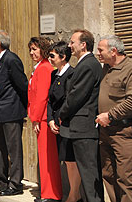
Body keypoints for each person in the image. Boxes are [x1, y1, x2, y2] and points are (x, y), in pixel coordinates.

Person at [95, 35, 132, 202]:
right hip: (106, 132)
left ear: (113, 51)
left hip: (124, 133)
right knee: (108, 175)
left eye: (101, 50)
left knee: (126, 180)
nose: (98, 53)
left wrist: (110, 115)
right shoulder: (106, 68)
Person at [57, 29, 104, 202]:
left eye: (72, 42)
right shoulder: (85, 64)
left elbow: (76, 96)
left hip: (84, 127)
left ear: (83, 45)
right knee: (85, 173)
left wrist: (61, 114)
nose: (69, 46)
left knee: (89, 174)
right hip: (78, 127)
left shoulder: (88, 65)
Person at [0, 30, 28, 196]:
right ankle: (0, 180)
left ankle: (15, 183)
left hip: (10, 110)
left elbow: (22, 85)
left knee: (13, 149)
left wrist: (21, 107)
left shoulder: (11, 59)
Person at [27, 37, 62, 202]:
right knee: (45, 156)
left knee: (48, 156)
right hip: (39, 117)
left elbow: (42, 97)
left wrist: (35, 118)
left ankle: (51, 194)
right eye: (31, 49)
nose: (32, 52)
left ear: (43, 49)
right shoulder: (40, 67)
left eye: (35, 49)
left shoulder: (44, 68)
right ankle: (47, 192)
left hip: (43, 118)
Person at [47, 41, 81, 202]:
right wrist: (50, 120)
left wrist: (60, 119)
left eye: (52, 56)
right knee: (66, 160)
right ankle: (73, 194)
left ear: (63, 57)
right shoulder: (54, 74)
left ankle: (75, 194)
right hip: (56, 122)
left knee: (71, 159)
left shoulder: (72, 74)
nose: (50, 58)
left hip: (67, 122)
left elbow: (69, 100)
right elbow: (50, 100)